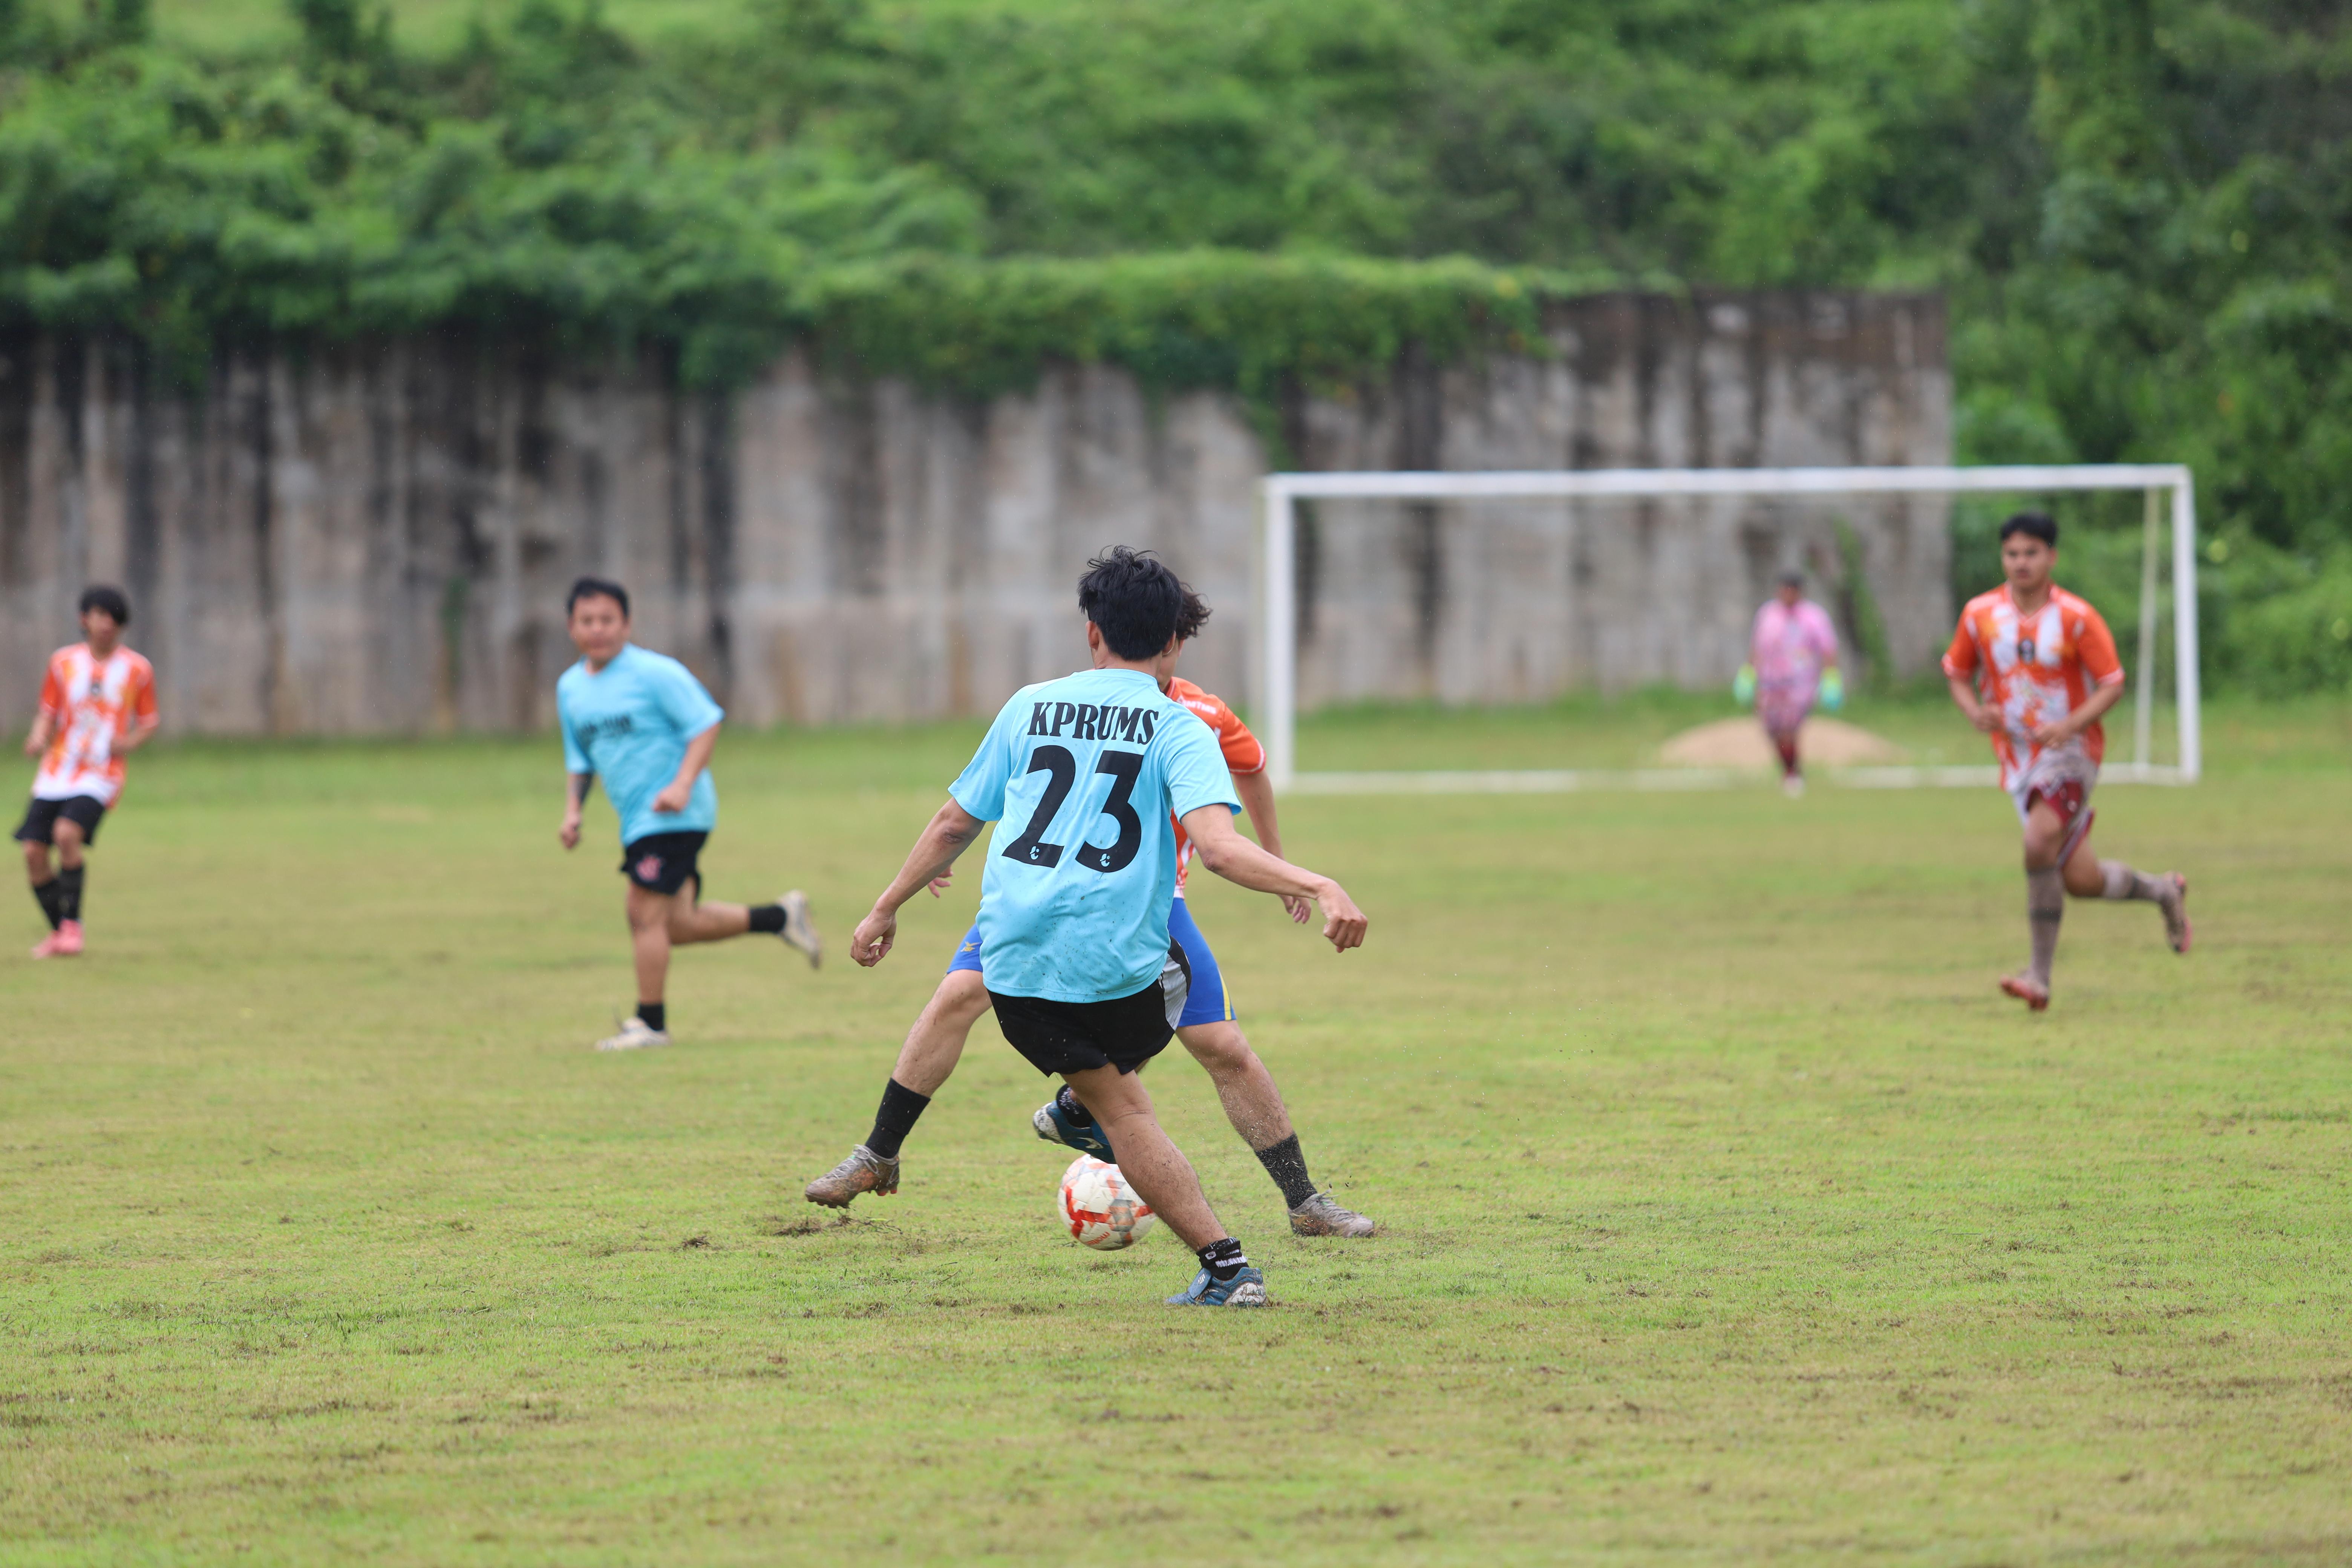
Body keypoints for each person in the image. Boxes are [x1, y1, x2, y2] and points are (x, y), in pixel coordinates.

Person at [825, 547, 1367, 1307]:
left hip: (1014, 955)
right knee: (1144, 1080)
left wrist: (886, 905)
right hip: (1117, 949)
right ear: (1174, 640)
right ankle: (1220, 1256)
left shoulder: (1028, 705)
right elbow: (1217, 849)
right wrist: (1315, 880)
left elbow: (956, 820)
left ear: (1091, 632)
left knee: (1133, 1082)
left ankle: (1236, 1236)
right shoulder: (1179, 728)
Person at [556, 577, 821, 1050]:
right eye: (587, 620)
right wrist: (573, 811)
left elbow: (706, 722)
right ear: (571, 626)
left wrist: (681, 784)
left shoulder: (656, 673)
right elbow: (580, 758)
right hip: (636, 820)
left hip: (676, 813)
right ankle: (780, 916)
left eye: (607, 620)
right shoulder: (571, 688)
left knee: (642, 911)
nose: (598, 629)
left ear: (627, 623)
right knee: (675, 924)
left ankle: (650, 1024)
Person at [1943, 513, 2190, 1011]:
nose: (2022, 563)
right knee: (2082, 881)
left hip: (2072, 755)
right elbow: (1956, 671)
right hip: (2019, 762)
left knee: (2037, 841)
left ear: (2051, 557)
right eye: (2012, 554)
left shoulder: (2076, 617)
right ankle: (2164, 891)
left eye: (2032, 553)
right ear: (2003, 558)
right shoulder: (1980, 614)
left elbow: (2113, 682)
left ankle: (2038, 977)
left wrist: (2072, 725)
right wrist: (1975, 711)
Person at [17, 585, 159, 958]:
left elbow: (149, 721)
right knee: (33, 851)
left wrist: (127, 744)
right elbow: (48, 710)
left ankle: (73, 929)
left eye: (114, 617)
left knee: (67, 834)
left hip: (101, 772)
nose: (106, 623)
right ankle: (60, 931)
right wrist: (36, 737)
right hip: (57, 769)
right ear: (85, 619)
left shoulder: (138, 669)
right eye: (100, 614)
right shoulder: (63, 662)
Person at [1740, 570, 1842, 796]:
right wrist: (1748, 672)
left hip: (1798, 684)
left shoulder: (1814, 617)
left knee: (1789, 729)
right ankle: (1790, 769)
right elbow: (1758, 646)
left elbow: (1828, 649)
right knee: (1771, 729)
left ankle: (1792, 775)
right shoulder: (1768, 614)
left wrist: (1831, 678)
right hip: (1769, 682)